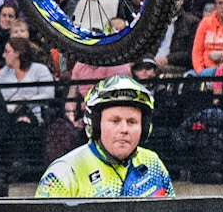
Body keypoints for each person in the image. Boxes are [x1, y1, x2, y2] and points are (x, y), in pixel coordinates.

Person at [35, 76, 174, 198]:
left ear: (144, 127)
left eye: (132, 122)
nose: (124, 129)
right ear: (96, 125)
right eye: (115, 121)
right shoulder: (64, 173)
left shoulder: (153, 163)